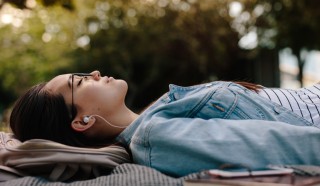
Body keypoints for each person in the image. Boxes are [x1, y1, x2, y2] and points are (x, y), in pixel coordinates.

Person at [9, 70, 320, 177]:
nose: (92, 73)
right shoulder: (155, 137)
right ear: (82, 120)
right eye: (78, 83)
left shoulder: (157, 118)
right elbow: (283, 146)